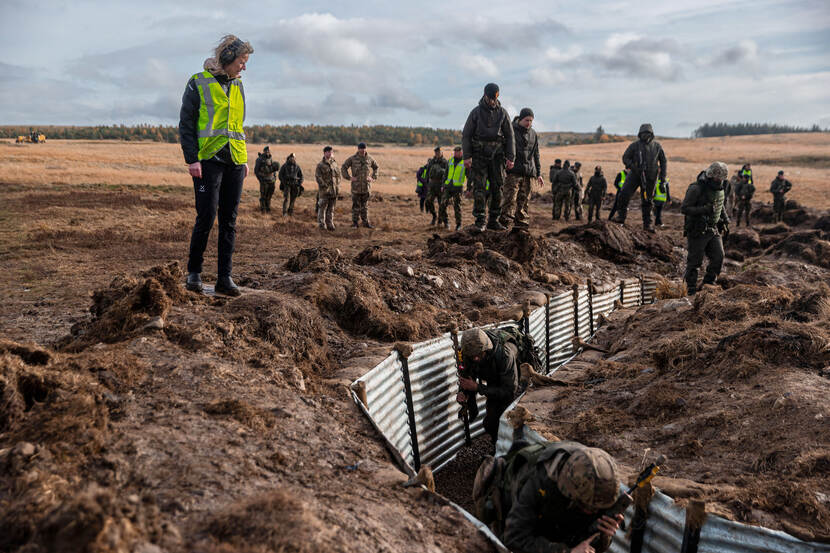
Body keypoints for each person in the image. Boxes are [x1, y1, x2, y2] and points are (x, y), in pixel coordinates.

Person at [179, 34, 254, 297]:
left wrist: (243, 159)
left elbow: (238, 125)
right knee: (206, 216)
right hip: (207, 160)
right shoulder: (198, 82)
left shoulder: (239, 85)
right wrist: (192, 159)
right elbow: (186, 124)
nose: (244, 67)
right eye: (242, 62)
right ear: (228, 58)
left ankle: (225, 278)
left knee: (229, 221)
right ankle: (194, 274)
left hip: (234, 159)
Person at [462, 83, 516, 231]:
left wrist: (510, 157)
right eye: (490, 98)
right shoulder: (476, 112)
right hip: (479, 155)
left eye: (495, 98)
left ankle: (494, 220)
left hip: (498, 156)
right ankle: (480, 220)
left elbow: (510, 136)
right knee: (479, 188)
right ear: (484, 95)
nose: (492, 101)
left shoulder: (503, 113)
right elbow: (466, 135)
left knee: (497, 187)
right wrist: (467, 156)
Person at [457, 328, 519, 446]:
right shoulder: (468, 353)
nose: (475, 358)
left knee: (508, 421)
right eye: (472, 356)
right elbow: (467, 376)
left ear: (487, 348)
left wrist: (478, 388)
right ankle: (498, 448)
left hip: (512, 378)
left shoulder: (505, 355)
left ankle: (510, 450)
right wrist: (463, 392)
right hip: (493, 379)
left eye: (479, 354)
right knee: (491, 424)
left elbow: (509, 391)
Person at [682, 162, 730, 295]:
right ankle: (690, 291)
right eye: (717, 178)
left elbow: (720, 205)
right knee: (694, 262)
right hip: (697, 230)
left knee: (718, 257)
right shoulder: (696, 188)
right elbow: (684, 208)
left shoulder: (720, 188)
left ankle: (708, 284)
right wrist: (704, 210)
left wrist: (725, 220)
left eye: (721, 179)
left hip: (712, 229)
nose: (719, 181)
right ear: (710, 176)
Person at [612, 124, 667, 232]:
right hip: (635, 174)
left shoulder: (657, 146)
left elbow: (663, 161)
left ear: (651, 134)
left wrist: (663, 177)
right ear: (639, 134)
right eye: (643, 133)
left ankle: (648, 224)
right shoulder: (635, 145)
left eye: (647, 133)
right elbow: (625, 157)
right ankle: (621, 217)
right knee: (623, 194)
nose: (645, 135)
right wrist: (633, 166)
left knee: (648, 200)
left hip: (651, 177)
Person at [500, 108, 542, 231]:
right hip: (513, 172)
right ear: (520, 119)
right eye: (526, 120)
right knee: (509, 199)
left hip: (528, 173)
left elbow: (536, 155)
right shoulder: (510, 130)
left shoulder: (533, 134)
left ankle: (521, 227)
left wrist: (538, 174)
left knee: (524, 201)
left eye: (531, 120)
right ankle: (504, 225)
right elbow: (503, 149)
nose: (529, 123)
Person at [341, 142, 379, 228]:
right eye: (361, 148)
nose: (362, 150)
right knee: (356, 206)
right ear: (358, 149)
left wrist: (373, 177)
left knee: (365, 206)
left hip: (366, 187)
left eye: (364, 148)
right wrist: (349, 177)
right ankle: (355, 223)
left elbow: (376, 167)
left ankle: (366, 223)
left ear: (366, 149)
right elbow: (343, 167)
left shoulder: (369, 159)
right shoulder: (353, 159)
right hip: (356, 187)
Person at [439, 146, 466, 230]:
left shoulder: (465, 162)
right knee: (442, 204)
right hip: (448, 187)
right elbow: (445, 174)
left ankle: (458, 224)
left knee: (457, 207)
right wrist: (443, 185)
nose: (455, 153)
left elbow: (469, 175)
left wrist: (469, 187)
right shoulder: (450, 160)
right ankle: (446, 222)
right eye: (455, 151)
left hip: (457, 188)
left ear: (461, 152)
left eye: (458, 151)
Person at [315, 146, 340, 231]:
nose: (330, 153)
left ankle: (330, 224)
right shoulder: (320, 165)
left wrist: (337, 186)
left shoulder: (334, 163)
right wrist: (324, 186)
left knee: (331, 208)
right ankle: (322, 225)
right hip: (325, 191)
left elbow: (338, 176)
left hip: (334, 191)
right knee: (322, 208)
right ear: (325, 153)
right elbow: (318, 177)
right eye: (328, 152)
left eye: (331, 152)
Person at [425, 146, 449, 226]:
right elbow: (427, 172)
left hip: (441, 185)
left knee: (442, 204)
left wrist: (445, 185)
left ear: (442, 153)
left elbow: (447, 174)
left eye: (439, 152)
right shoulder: (431, 161)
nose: (437, 154)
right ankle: (434, 216)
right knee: (428, 201)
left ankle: (445, 221)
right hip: (432, 185)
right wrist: (426, 183)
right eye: (436, 152)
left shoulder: (445, 162)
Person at [254, 146, 280, 213]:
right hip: (264, 180)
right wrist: (260, 180)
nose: (268, 152)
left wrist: (274, 178)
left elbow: (273, 170)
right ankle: (263, 209)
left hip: (271, 180)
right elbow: (256, 171)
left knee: (269, 196)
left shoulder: (271, 158)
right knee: (263, 196)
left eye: (269, 151)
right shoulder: (259, 159)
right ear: (264, 151)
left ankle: (268, 208)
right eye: (266, 151)